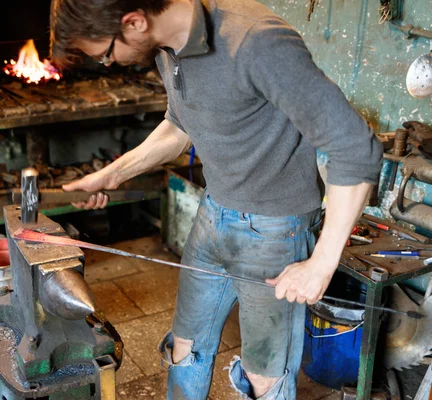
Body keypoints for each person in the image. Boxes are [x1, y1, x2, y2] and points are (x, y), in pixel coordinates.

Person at [49, 0, 383, 399]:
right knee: (184, 349)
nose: (109, 64)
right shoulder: (166, 48)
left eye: (105, 55)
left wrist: (321, 264)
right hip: (213, 215)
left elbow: (357, 150)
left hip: (274, 229)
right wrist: (114, 173)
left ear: (135, 22)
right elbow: (179, 126)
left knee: (264, 376)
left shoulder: (257, 41)